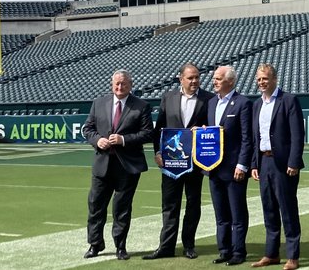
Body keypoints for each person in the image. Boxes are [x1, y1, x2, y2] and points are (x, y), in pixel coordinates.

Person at [143, 63, 213, 260]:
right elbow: (160, 129)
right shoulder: (169, 97)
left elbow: (213, 130)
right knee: (169, 205)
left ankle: (189, 245)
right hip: (171, 163)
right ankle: (166, 247)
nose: (194, 81)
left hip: (195, 163)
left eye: (197, 77)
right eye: (190, 78)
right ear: (180, 78)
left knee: (193, 204)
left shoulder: (208, 99)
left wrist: (204, 130)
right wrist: (157, 152)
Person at [82, 69, 153, 261]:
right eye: (117, 83)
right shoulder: (99, 103)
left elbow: (148, 133)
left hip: (127, 166)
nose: (120, 87)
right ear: (111, 84)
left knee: (122, 208)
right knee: (96, 205)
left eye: (123, 84)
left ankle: (120, 246)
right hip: (102, 164)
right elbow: (88, 129)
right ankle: (95, 244)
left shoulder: (141, 106)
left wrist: (123, 139)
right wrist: (97, 140)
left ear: (131, 85)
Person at [250, 64, 305, 270]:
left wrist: (293, 161)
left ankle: (292, 256)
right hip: (264, 162)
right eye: (258, 79)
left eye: (264, 78)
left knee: (288, 210)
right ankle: (271, 254)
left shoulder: (288, 100)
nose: (261, 82)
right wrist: (254, 164)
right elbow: (257, 138)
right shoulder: (256, 105)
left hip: (283, 164)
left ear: (274, 79)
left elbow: (297, 135)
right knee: (269, 209)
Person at [207, 65, 253, 266]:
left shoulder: (243, 103)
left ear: (230, 81)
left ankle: (238, 251)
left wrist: (242, 164)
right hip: (214, 168)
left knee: (237, 213)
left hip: (234, 168)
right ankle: (224, 250)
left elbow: (247, 138)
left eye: (218, 78)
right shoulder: (210, 103)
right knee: (221, 214)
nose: (214, 81)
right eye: (214, 78)